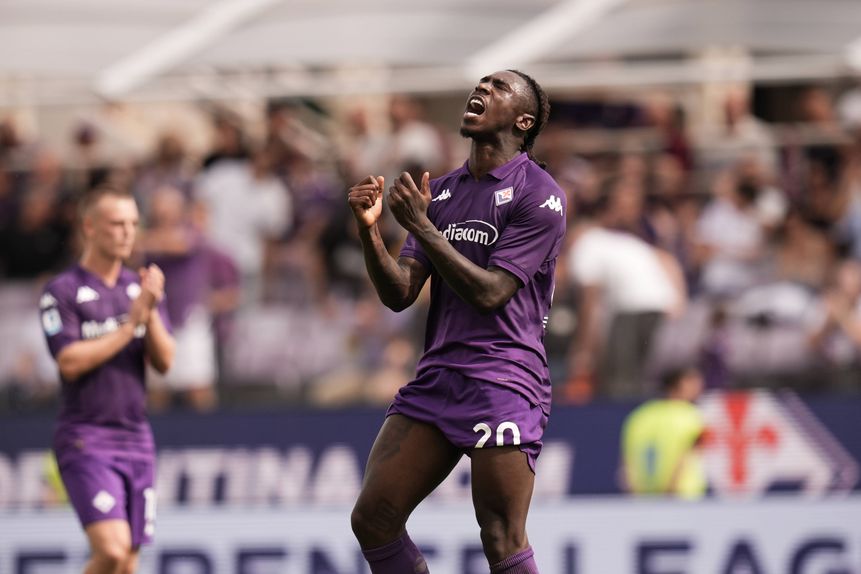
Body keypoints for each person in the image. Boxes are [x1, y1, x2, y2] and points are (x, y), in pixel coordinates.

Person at [348, 70, 563, 574]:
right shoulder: (441, 192)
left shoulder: (540, 195)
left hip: (504, 376)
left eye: (498, 88)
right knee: (373, 518)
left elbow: (491, 293)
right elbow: (400, 293)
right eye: (481, 84)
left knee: (500, 535)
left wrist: (422, 226)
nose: (482, 90)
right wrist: (370, 233)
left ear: (523, 121)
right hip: (440, 374)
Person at [39, 184, 175, 574]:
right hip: (86, 436)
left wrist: (150, 311)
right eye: (117, 223)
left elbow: (165, 362)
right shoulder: (63, 291)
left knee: (127, 564)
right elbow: (69, 361)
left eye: (133, 223)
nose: (127, 232)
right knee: (112, 551)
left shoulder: (139, 288)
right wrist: (130, 324)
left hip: (136, 437)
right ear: (90, 227)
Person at [621, 367, 707, 499]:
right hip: (683, 497)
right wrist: (670, 492)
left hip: (644, 499)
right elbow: (685, 458)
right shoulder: (692, 416)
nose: (698, 387)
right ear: (675, 386)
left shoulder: (640, 415)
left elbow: (627, 465)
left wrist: (636, 496)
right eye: (691, 382)